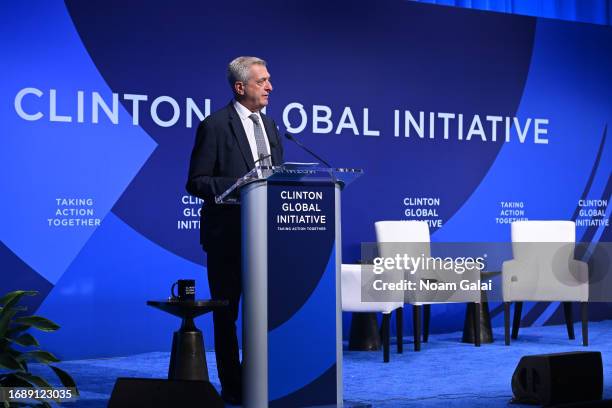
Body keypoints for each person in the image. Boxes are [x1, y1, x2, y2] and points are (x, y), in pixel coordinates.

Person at [186, 56, 284, 404]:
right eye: (262, 81)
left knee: (267, 312)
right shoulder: (215, 125)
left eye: (269, 80)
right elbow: (196, 182)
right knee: (228, 316)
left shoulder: (271, 126)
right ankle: (234, 385)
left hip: (267, 237)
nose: (270, 86)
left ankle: (265, 377)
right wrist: (241, 184)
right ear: (240, 87)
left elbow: (277, 178)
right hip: (227, 237)